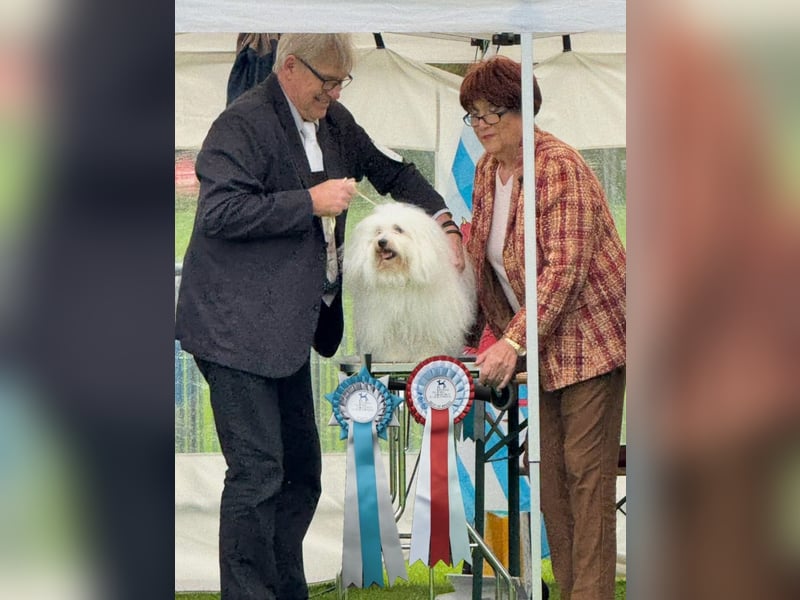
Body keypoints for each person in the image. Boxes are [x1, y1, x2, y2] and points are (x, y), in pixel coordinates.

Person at [175, 33, 463, 600]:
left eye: (341, 82)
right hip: (233, 328)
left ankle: (286, 590)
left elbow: (392, 173)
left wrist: (444, 221)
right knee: (257, 475)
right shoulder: (241, 126)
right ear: (288, 68)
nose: (333, 93)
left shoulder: (333, 122)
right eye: (325, 81)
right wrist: (309, 201)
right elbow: (220, 212)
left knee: (301, 475)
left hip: (286, 330)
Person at [460, 56, 626, 600]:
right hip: (540, 343)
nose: (482, 123)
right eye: (473, 114)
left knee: (586, 479)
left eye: (494, 111)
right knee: (552, 481)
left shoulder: (558, 166)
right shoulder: (489, 168)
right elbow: (487, 256)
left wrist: (511, 341)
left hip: (590, 341)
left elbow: (565, 270)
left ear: (523, 109)